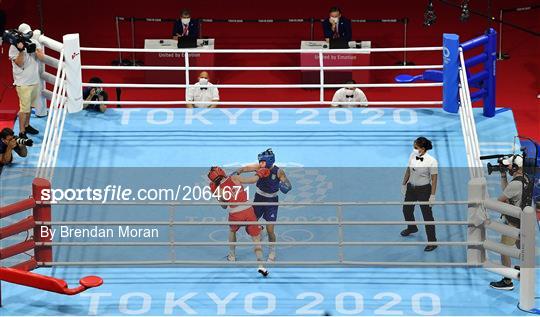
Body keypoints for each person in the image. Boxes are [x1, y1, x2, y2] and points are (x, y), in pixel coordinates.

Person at [208, 166, 271, 277]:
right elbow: (253, 180)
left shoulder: (218, 189)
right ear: (222, 172)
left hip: (235, 213)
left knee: (232, 231)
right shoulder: (235, 178)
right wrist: (260, 173)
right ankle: (261, 266)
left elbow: (223, 206)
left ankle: (232, 256)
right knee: (256, 239)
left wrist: (217, 195)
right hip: (248, 210)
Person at [235, 149, 292, 262]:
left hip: (271, 202)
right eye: (260, 161)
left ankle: (272, 251)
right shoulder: (259, 167)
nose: (260, 164)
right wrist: (239, 171)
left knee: (270, 230)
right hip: (259, 199)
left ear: (269, 161)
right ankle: (261, 231)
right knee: (249, 225)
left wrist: (285, 186)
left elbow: (288, 184)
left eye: (262, 161)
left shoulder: (279, 172)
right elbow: (247, 168)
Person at [490, 155, 532, 290]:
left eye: (509, 166)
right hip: (524, 220)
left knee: (504, 250)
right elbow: (508, 192)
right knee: (521, 246)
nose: (507, 168)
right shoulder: (525, 178)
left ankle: (507, 281)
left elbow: (500, 200)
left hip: (513, 222)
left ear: (515, 167)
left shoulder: (515, 184)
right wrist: (503, 175)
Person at [400, 137, 438, 251]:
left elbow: (434, 179)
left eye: (416, 147)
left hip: (424, 190)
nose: (414, 149)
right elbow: (408, 170)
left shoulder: (432, 161)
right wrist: (404, 183)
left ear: (423, 148)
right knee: (406, 210)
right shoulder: (412, 155)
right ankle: (412, 227)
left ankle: (432, 242)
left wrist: (432, 195)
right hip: (411, 188)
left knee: (427, 216)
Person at [9, 23, 45, 138]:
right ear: (20, 34)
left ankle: (27, 125)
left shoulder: (34, 41)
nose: (27, 36)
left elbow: (42, 58)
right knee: (24, 109)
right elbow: (19, 63)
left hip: (34, 81)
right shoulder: (13, 47)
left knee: (29, 106)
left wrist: (35, 50)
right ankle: (21, 131)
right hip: (22, 83)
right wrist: (21, 50)